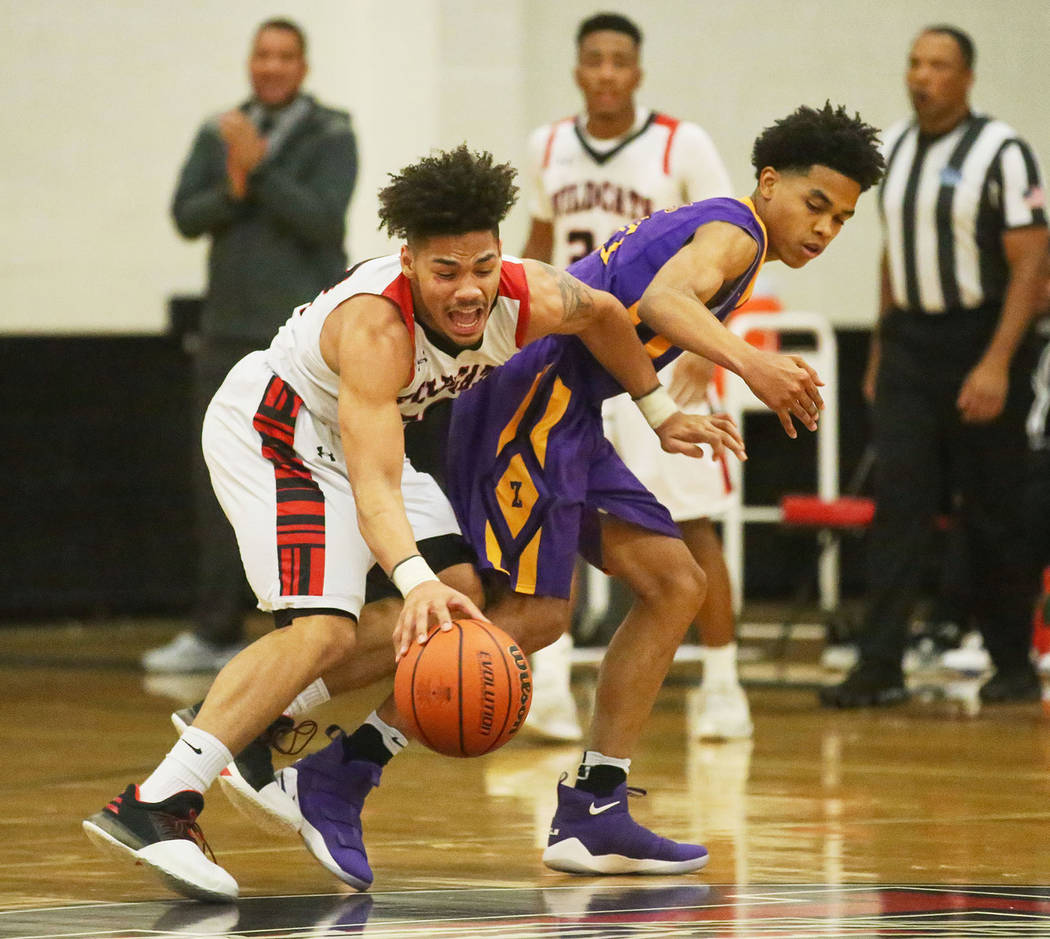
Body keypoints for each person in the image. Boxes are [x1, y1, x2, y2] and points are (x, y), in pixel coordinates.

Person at [210, 103, 882, 887]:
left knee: (676, 583)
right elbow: (667, 302)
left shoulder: (737, 232)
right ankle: (315, 754)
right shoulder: (735, 232)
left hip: (573, 411)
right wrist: (753, 365)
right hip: (535, 403)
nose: (826, 227)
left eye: (842, 218)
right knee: (533, 614)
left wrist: (659, 412)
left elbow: (626, 311)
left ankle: (595, 807)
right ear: (769, 183)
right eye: (816, 205)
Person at [82, 145, 738, 901]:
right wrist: (412, 579)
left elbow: (605, 316)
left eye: (482, 265)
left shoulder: (531, 293)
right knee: (324, 628)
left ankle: (255, 711)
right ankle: (156, 801)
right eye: (444, 271)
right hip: (280, 434)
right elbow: (373, 488)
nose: (468, 290)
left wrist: (658, 411)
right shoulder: (376, 329)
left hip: (362, 447)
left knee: (464, 597)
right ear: (409, 260)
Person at [519, 11, 742, 741]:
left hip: (665, 357)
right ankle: (547, 684)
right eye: (595, 60)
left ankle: (722, 681)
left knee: (689, 520)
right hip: (578, 361)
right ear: (579, 69)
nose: (608, 73)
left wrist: (709, 351)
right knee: (560, 511)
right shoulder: (547, 146)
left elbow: (729, 245)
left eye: (620, 61)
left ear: (637, 73)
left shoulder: (683, 144)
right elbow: (540, 251)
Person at [820, 25, 1048, 709]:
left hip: (983, 338)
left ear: (966, 78)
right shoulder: (893, 149)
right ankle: (880, 662)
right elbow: (897, 253)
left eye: (938, 66)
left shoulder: (1003, 151)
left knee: (994, 510)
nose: (922, 77)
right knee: (899, 505)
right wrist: (884, 349)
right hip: (911, 345)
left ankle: (1012, 663)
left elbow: (1033, 261)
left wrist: (998, 362)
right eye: (915, 64)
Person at [143, 18, 358, 674]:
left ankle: (309, 626)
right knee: (217, 480)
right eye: (262, 55)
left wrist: (260, 174)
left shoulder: (331, 131)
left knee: (313, 478)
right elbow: (186, 215)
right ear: (250, 62)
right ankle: (213, 628)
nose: (271, 66)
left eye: (284, 56)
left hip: (300, 339)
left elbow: (323, 218)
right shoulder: (222, 129)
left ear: (304, 65)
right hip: (226, 330)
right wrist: (231, 187)